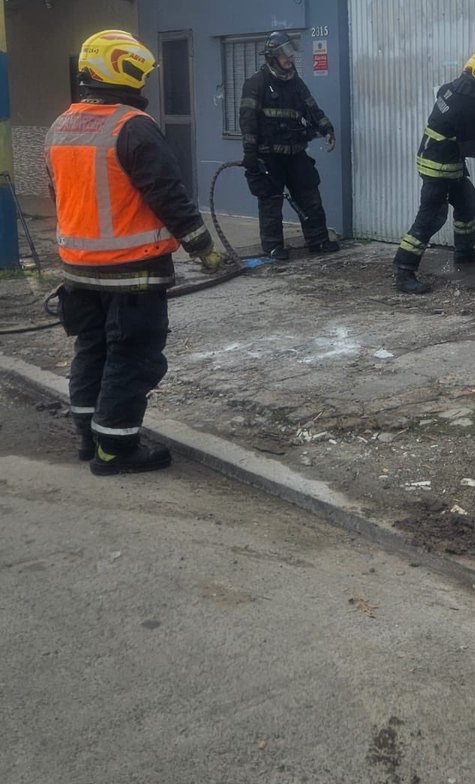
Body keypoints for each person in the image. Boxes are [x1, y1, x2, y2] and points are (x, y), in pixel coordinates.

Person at [44, 29, 223, 476]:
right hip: (132, 272)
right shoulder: (132, 126)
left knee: (92, 349)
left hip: (77, 270)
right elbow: (168, 194)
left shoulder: (61, 125)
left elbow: (58, 194)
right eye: (138, 73)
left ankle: (88, 437)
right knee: (132, 356)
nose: (143, 82)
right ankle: (116, 449)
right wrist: (203, 248)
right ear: (121, 71)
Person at [394, 53, 475, 295]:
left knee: (466, 199)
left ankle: (464, 251)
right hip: (438, 166)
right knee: (431, 216)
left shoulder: (452, 87)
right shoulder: (470, 104)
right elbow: (471, 148)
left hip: (442, 159)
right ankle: (404, 270)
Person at [239, 30, 339, 260]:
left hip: (295, 153)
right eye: (285, 54)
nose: (290, 58)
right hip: (269, 156)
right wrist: (250, 155)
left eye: (291, 54)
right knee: (271, 202)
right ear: (272, 57)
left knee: (310, 195)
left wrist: (327, 129)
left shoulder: (295, 82)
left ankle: (318, 240)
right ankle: (273, 247)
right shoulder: (256, 83)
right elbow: (247, 121)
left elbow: (312, 109)